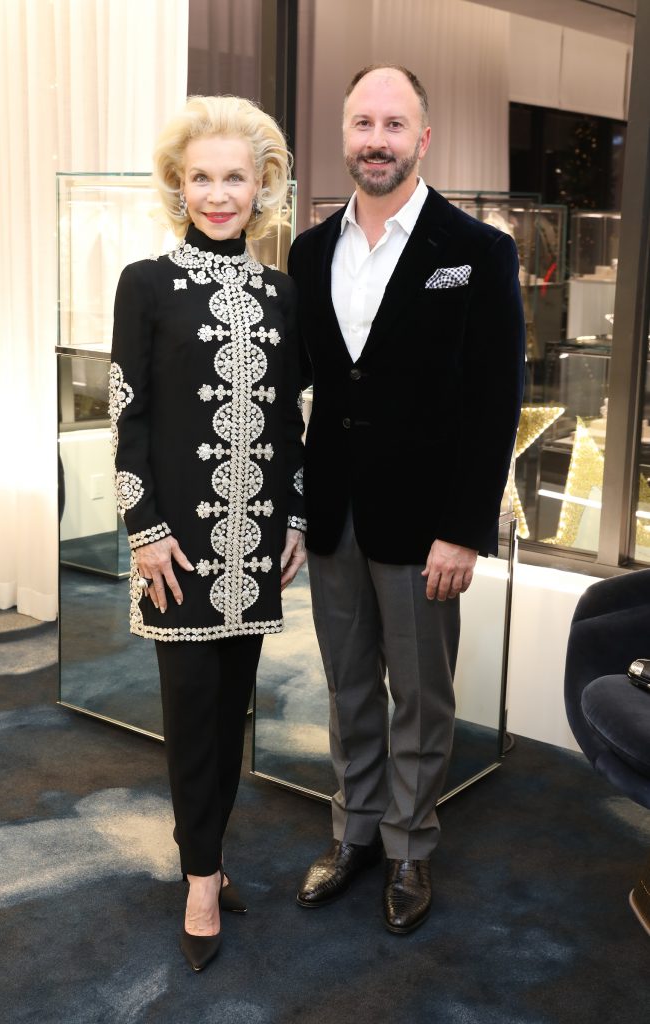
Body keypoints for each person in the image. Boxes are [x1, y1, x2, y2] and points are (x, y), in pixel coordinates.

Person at [288, 65, 525, 934]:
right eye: (361, 122)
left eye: (393, 123)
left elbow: (496, 400)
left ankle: (410, 849)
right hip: (334, 518)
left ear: (423, 138)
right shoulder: (310, 251)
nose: (375, 139)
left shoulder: (476, 249)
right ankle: (352, 834)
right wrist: (290, 506)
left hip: (427, 528)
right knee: (348, 686)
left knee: (420, 697)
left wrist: (464, 530)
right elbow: (303, 388)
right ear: (343, 135)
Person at [110, 95, 306, 971]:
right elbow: (129, 417)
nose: (218, 195)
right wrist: (143, 528)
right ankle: (198, 876)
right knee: (191, 713)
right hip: (177, 548)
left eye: (235, 178)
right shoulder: (145, 283)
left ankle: (210, 852)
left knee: (233, 712)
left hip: (254, 545)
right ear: (176, 186)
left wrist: (295, 513)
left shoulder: (281, 290)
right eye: (201, 178)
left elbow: (294, 419)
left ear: (262, 186)